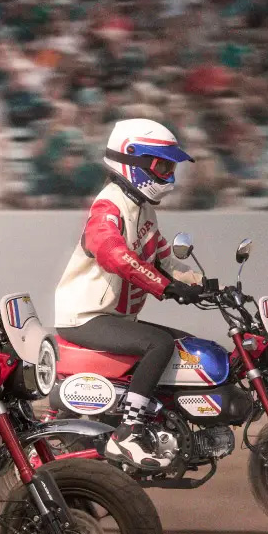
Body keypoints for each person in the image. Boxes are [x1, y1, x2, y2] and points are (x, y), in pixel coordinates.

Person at [54, 119, 203, 470]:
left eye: (171, 168)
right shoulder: (108, 206)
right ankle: (128, 432)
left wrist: (202, 284)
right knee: (159, 344)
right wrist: (165, 286)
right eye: (163, 167)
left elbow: (164, 258)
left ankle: (165, 427)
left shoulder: (143, 209)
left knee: (187, 347)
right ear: (134, 161)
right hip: (85, 317)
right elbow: (113, 254)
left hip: (114, 318)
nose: (169, 176)